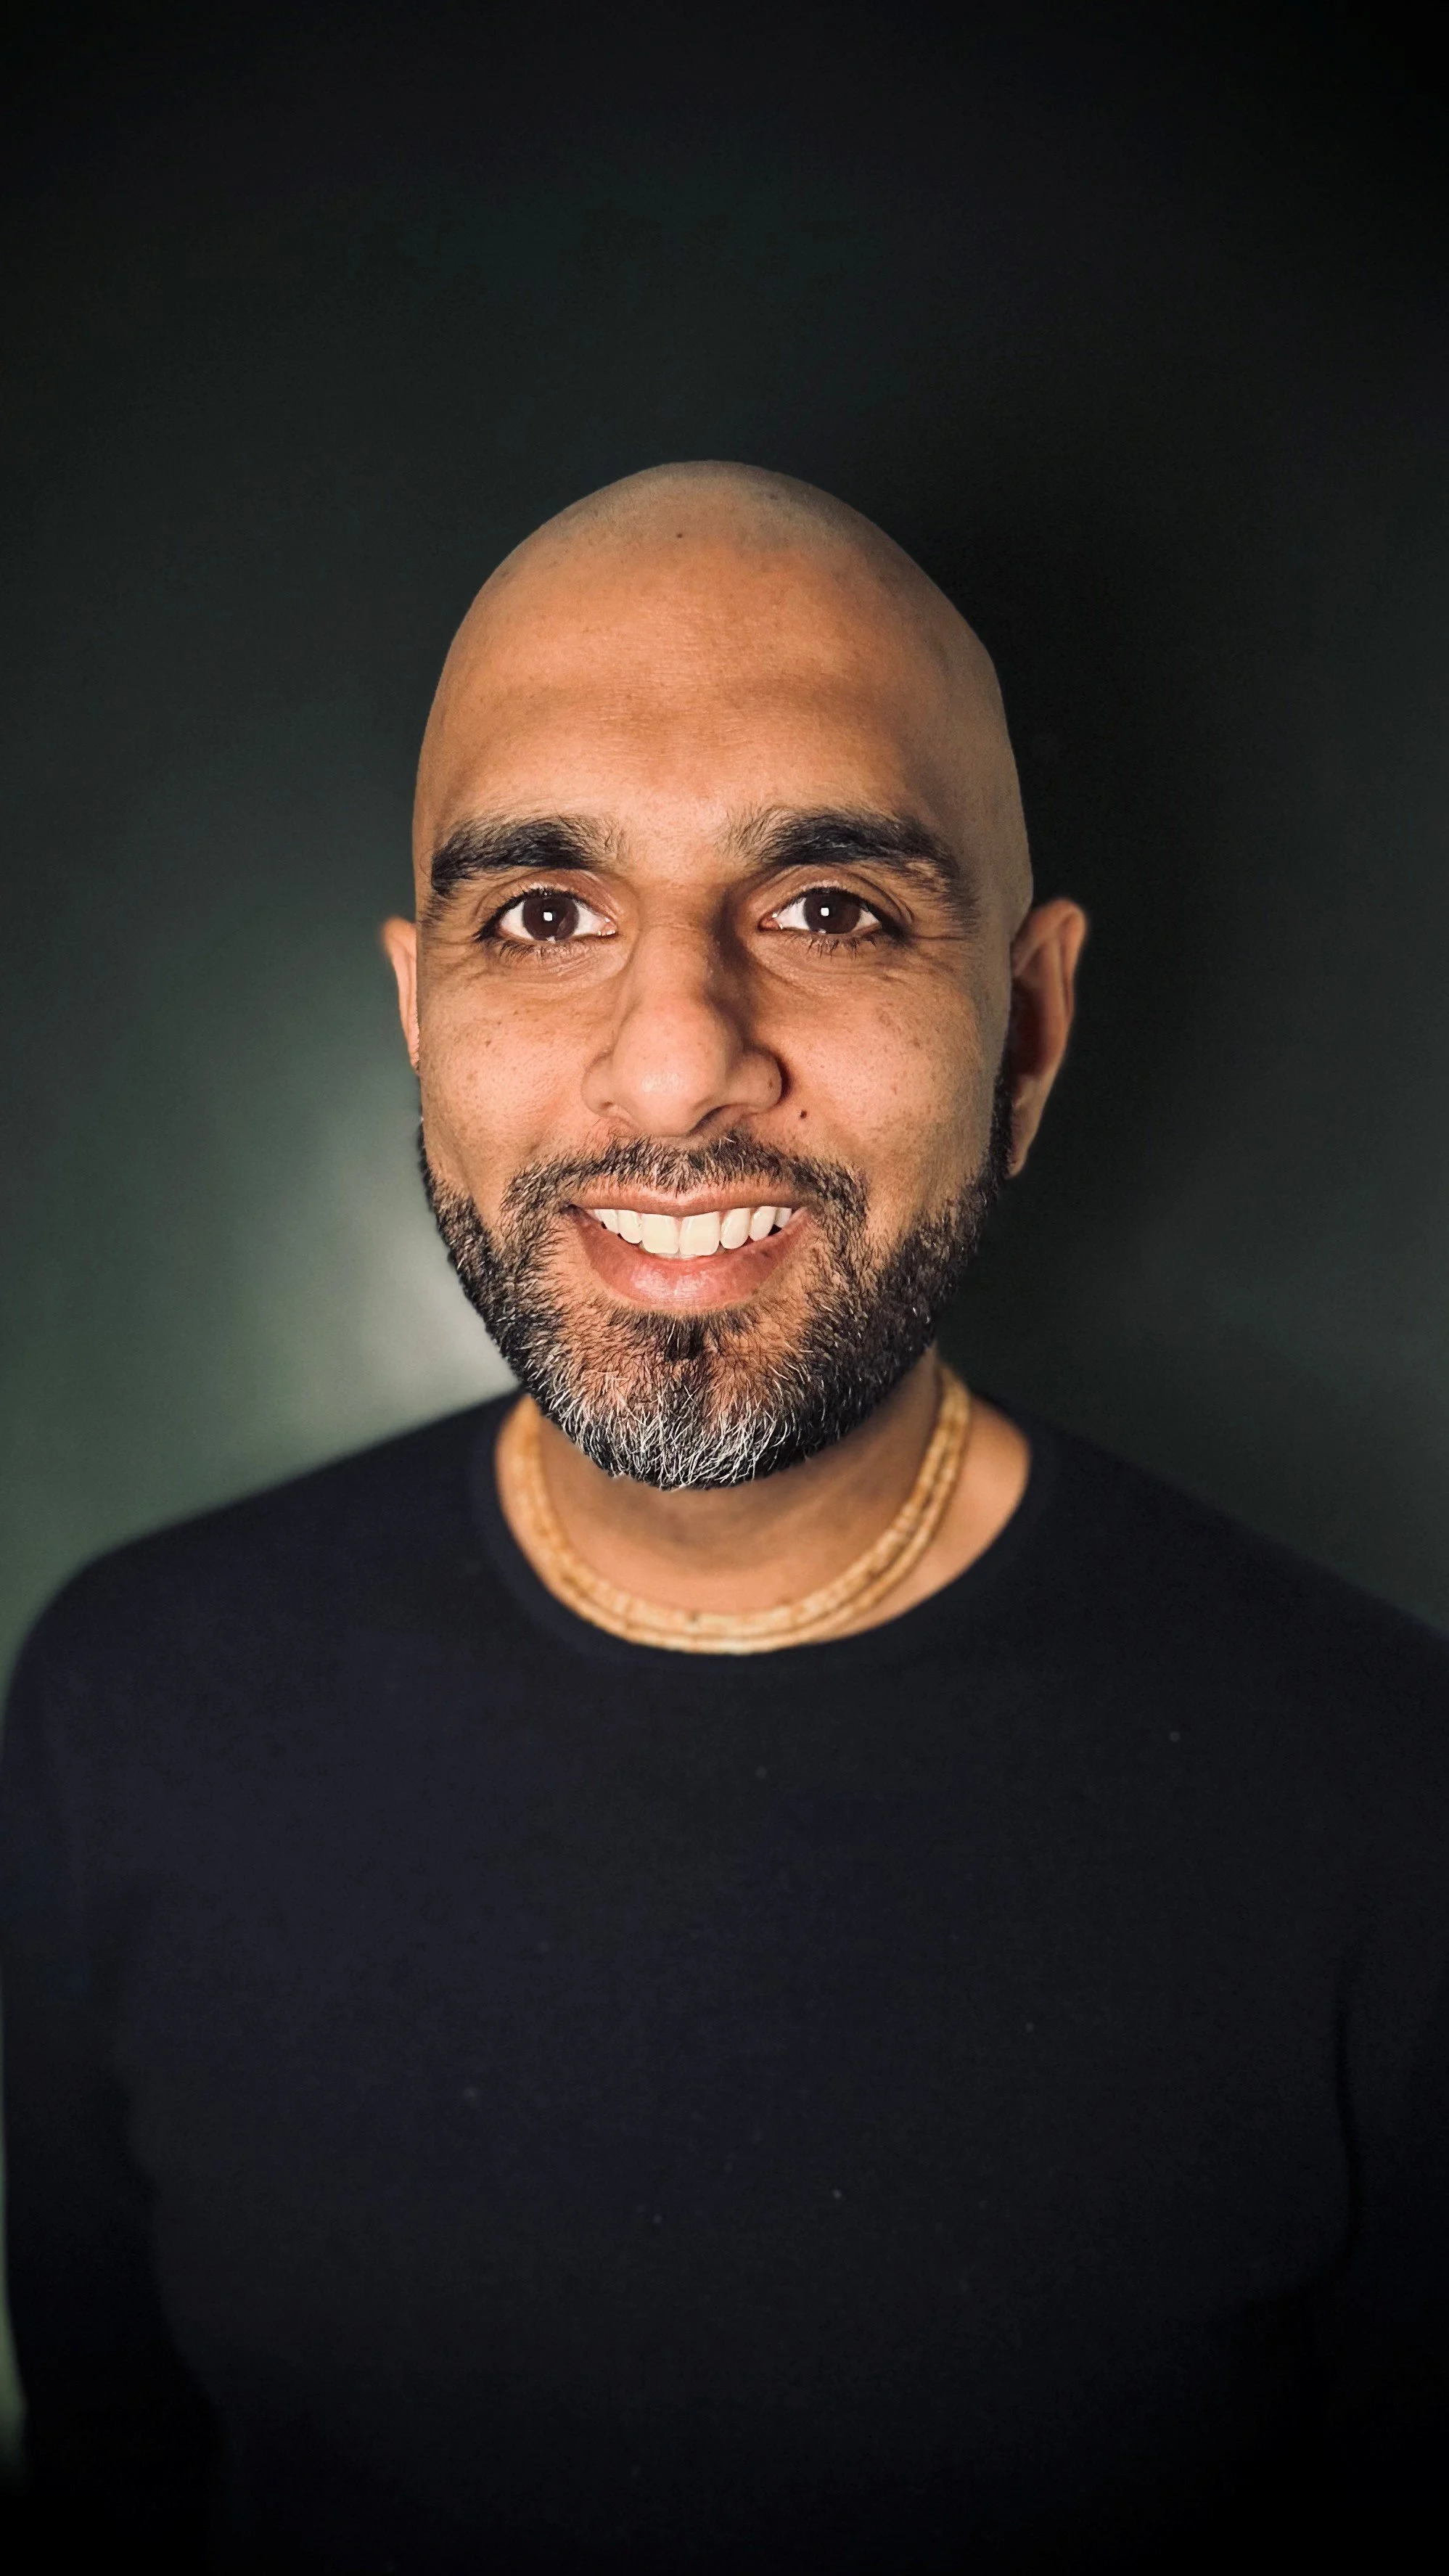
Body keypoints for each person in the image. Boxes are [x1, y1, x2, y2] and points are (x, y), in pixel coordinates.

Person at [2, 463, 1446, 2573]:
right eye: (543, 915)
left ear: (1025, 1030)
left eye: (829, 907)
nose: (676, 1068)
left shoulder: (1392, 1807)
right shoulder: (120, 1707)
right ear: (421, 1025)